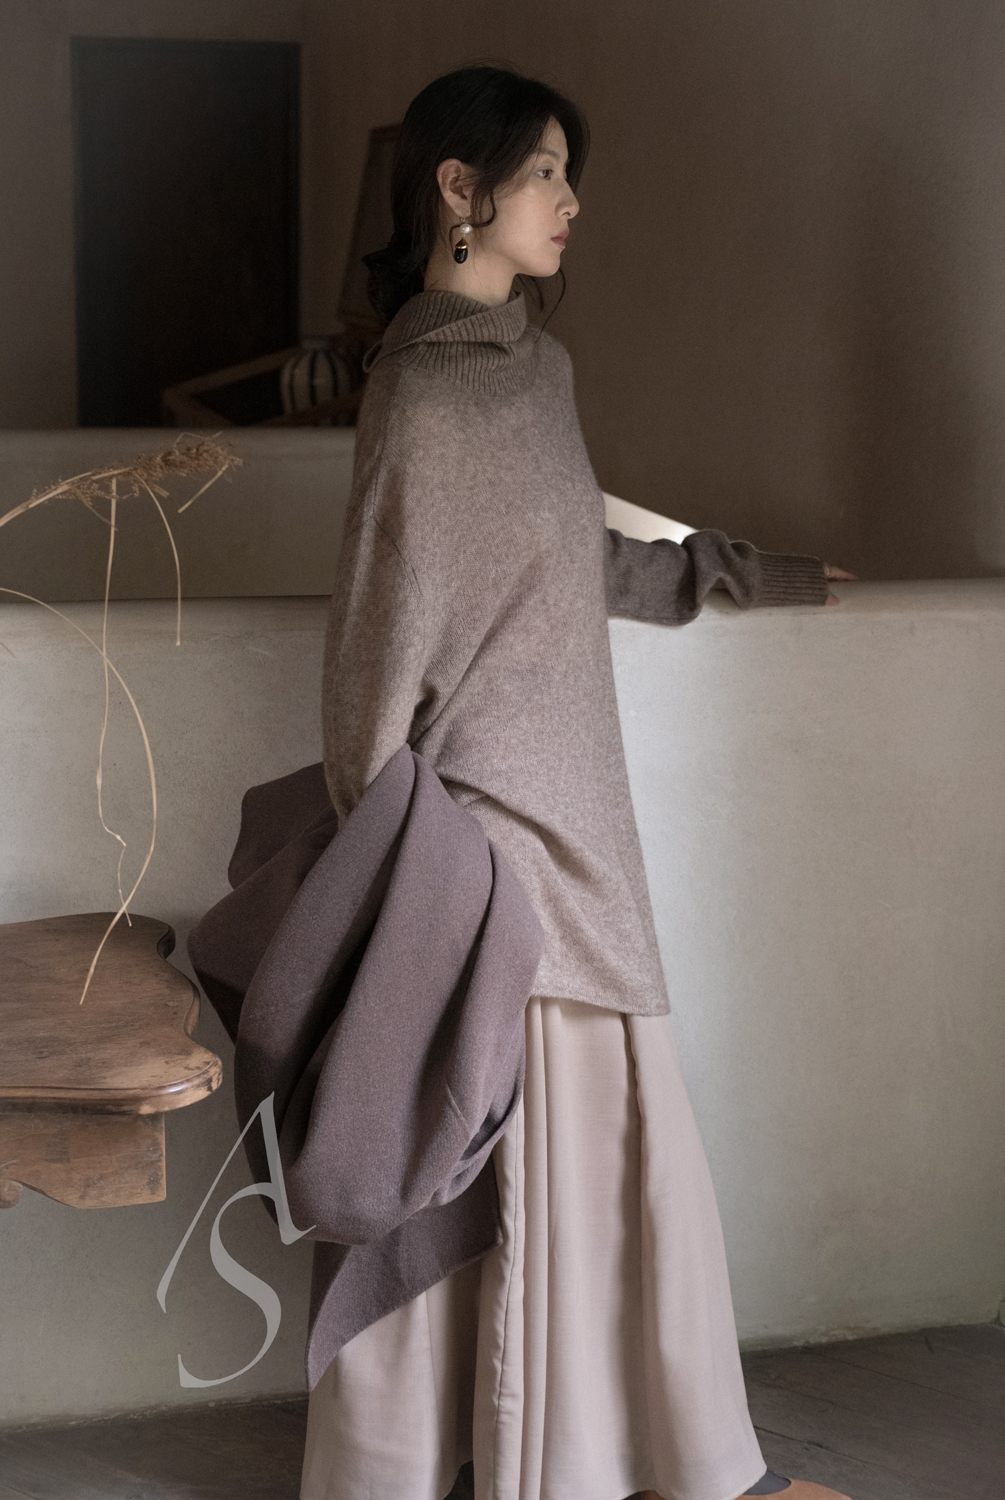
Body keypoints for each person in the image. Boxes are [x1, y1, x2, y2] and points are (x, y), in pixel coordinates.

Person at [302, 64, 855, 1500]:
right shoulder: (419, 393)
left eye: (564, 173)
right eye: (543, 171)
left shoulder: (536, 374)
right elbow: (374, 644)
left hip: (583, 821)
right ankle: (513, 1460)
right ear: (458, 188)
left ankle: (621, 1454)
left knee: (603, 1150)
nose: (569, 201)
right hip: (490, 843)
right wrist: (385, 853)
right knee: (507, 1158)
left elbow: (572, 557)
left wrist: (742, 572)